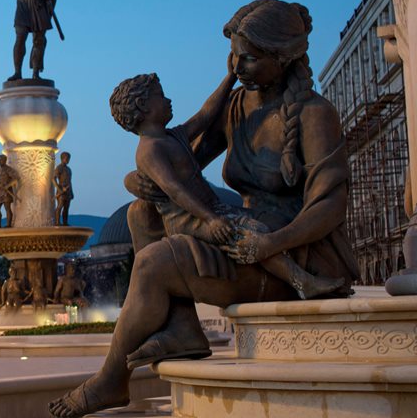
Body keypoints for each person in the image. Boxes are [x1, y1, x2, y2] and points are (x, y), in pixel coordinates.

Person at [48, 0, 358, 418]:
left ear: (283, 57)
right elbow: (179, 163)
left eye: (249, 58)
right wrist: (135, 180)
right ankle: (181, 326)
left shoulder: (314, 114)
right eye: (233, 56)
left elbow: (330, 206)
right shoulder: (237, 107)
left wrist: (271, 242)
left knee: (155, 263)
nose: (238, 66)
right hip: (242, 234)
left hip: (292, 248)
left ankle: (112, 377)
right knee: (141, 212)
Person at [108, 70, 344, 299]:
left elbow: (205, 115)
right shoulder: (150, 150)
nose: (169, 100)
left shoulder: (171, 137)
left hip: (213, 210)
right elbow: (175, 190)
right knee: (248, 236)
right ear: (142, 104)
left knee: (257, 230)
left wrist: (230, 77)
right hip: (191, 220)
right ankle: (302, 282)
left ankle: (301, 280)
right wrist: (210, 219)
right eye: (161, 95)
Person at [0, 155, 21, 228]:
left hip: (6, 192)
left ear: (4, 160)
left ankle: (9, 224)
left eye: (0, 160)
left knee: (7, 208)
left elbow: (16, 178)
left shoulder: (8, 169)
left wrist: (8, 185)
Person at [54, 151, 73, 226]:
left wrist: (71, 192)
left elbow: (69, 181)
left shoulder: (69, 169)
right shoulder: (59, 168)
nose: (68, 160)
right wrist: (59, 190)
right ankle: (57, 222)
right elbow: (53, 179)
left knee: (66, 208)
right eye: (67, 158)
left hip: (68, 191)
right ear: (63, 158)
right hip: (61, 191)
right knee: (60, 206)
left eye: (69, 159)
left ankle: (65, 222)